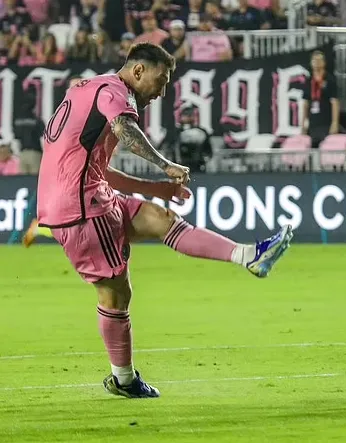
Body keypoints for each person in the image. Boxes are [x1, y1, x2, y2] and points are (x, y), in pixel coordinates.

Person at [36, 43, 293, 399]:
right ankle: (124, 380)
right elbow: (126, 131)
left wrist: (155, 188)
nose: (162, 92)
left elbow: (95, 168)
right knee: (115, 294)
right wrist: (165, 165)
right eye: (161, 80)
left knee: (161, 219)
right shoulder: (114, 92)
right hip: (79, 210)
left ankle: (249, 255)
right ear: (138, 71)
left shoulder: (89, 90)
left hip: (90, 194)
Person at [23, 75, 84, 248]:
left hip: (82, 167)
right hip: (69, 169)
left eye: (81, 85)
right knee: (75, 215)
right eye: (74, 86)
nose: (78, 89)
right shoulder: (64, 114)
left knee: (78, 215)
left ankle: (40, 228)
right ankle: (40, 228)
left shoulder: (84, 111)